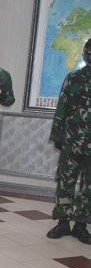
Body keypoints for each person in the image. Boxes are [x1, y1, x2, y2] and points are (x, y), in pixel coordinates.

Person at [46, 38, 91, 244]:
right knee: (65, 181)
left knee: (89, 186)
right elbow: (62, 106)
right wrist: (57, 135)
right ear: (84, 53)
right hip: (72, 140)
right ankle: (63, 222)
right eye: (88, 52)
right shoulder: (73, 78)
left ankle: (81, 224)